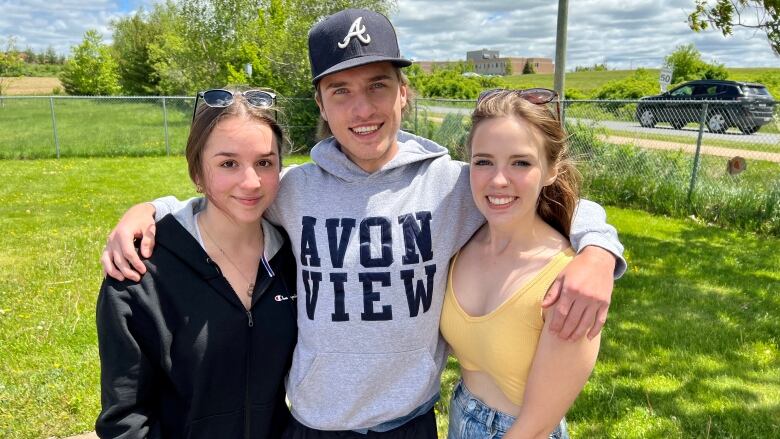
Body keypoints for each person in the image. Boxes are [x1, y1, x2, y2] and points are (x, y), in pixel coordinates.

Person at [100, 9, 625, 438]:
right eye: (341, 92)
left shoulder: (453, 184)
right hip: (313, 425)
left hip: (409, 423)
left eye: (378, 86)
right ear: (321, 106)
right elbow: (228, 197)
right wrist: (150, 210)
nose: (362, 108)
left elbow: (536, 191)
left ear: (404, 94)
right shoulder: (297, 189)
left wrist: (599, 250)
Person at [95, 88, 297, 438]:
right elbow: (125, 420)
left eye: (264, 162)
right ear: (197, 173)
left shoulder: (294, 258)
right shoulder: (140, 273)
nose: (250, 182)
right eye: (228, 163)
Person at [440, 89, 600, 439]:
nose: (498, 180)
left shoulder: (568, 282)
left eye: (521, 163)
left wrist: (600, 255)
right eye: (483, 161)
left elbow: (537, 426)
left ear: (551, 170)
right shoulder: (462, 239)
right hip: (460, 413)